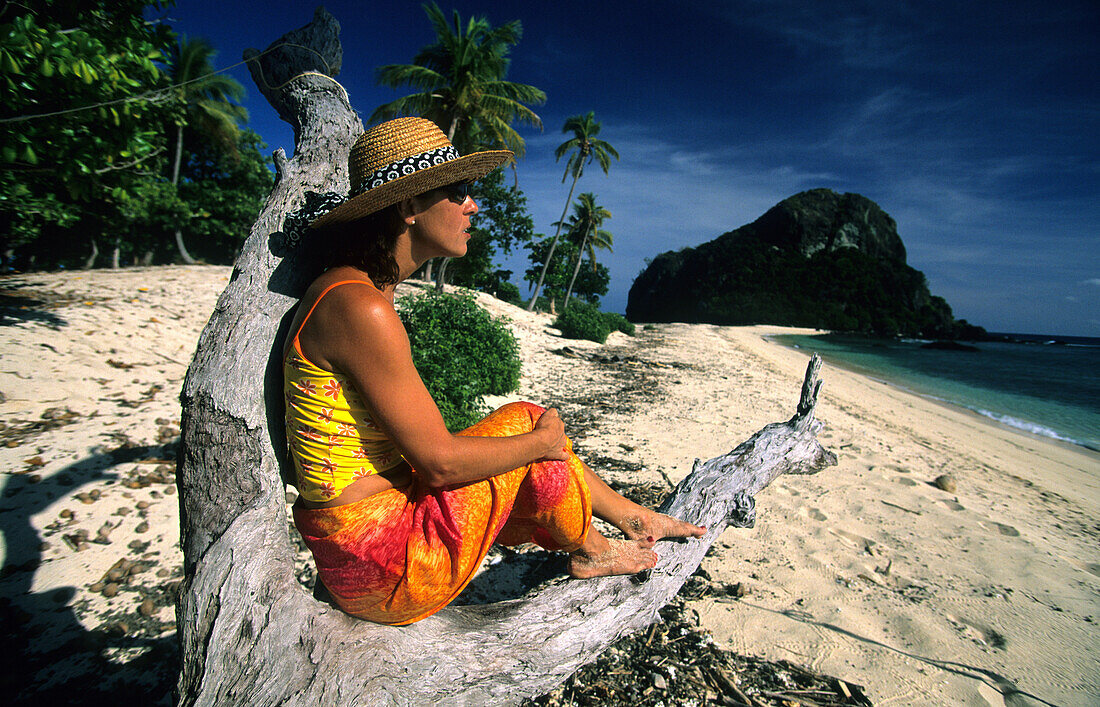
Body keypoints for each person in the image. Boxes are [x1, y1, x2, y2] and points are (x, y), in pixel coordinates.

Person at [285, 117, 704, 625]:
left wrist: (536, 440)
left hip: (360, 551)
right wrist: (542, 445)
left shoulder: (351, 292)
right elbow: (439, 463)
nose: (473, 206)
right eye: (457, 192)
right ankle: (594, 549)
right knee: (533, 433)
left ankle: (630, 517)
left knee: (525, 421)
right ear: (409, 207)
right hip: (386, 567)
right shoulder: (360, 307)